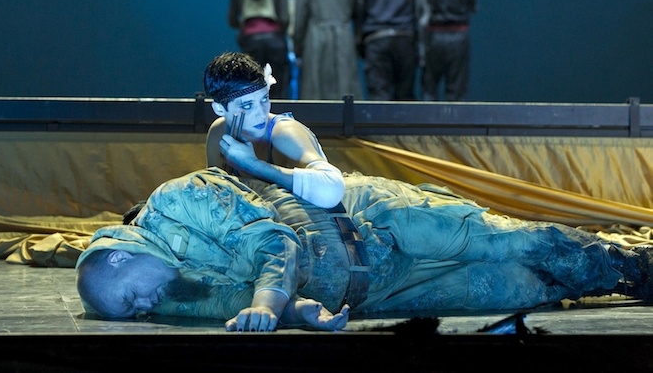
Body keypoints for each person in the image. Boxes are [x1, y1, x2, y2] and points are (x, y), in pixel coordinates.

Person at [77, 166, 653, 332]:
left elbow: (274, 241)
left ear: (121, 256)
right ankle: (610, 282)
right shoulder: (167, 295)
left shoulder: (178, 201)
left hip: (372, 222)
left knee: (516, 241)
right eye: (131, 314)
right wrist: (301, 314)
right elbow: (252, 309)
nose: (143, 308)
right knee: (516, 287)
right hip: (376, 291)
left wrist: (265, 302)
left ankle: (635, 266)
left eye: (129, 298)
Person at [202, 51, 345, 209]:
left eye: (264, 99)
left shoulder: (284, 132)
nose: (261, 113)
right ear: (220, 109)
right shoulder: (219, 131)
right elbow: (215, 196)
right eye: (247, 106)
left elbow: (331, 191)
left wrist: (253, 165)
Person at [292, 0, 362, 100]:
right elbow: (358, 15)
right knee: (346, 86)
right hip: (344, 37)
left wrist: (297, 48)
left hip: (315, 38)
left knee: (315, 88)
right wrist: (358, 42)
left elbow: (300, 19)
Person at [225, 0, 293, 99]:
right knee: (278, 87)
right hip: (275, 40)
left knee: (251, 85)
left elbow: (232, 19)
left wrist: (245, 27)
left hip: (250, 40)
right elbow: (284, 17)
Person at [416, 0, 478, 101]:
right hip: (459, 36)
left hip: (434, 36)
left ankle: (427, 118)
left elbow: (421, 10)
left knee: (429, 88)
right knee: (457, 90)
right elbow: (473, 6)